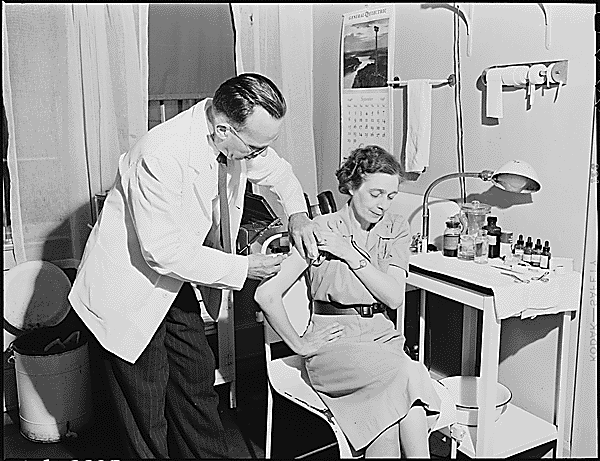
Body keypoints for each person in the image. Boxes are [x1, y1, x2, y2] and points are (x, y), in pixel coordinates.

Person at [68, 73, 320, 459]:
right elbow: (162, 251)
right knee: (146, 407)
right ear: (223, 129)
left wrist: (298, 215)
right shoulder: (161, 154)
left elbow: (280, 173)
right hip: (128, 287)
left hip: (173, 282)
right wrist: (244, 268)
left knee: (196, 381)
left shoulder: (233, 140)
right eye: (254, 148)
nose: (259, 155)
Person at [254, 145, 442, 458]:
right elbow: (266, 294)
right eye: (376, 194)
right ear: (352, 187)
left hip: (382, 338)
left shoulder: (396, 228)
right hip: (334, 343)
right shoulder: (320, 229)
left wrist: (350, 254)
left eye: (390, 196)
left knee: (391, 415)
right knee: (407, 376)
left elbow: (394, 297)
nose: (383, 205)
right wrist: (299, 344)